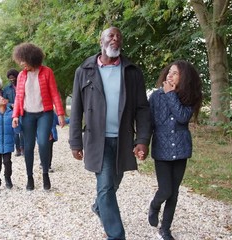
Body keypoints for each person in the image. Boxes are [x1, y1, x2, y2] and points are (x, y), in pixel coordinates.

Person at [68, 26, 152, 240]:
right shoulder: (84, 70)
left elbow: (142, 107)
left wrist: (142, 139)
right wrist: (75, 141)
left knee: (113, 184)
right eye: (110, 35)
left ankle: (99, 207)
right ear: (101, 41)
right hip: (98, 140)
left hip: (123, 138)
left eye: (118, 36)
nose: (115, 39)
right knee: (105, 186)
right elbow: (76, 108)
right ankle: (116, 235)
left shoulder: (132, 71)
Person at [147, 60, 202, 240]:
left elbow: (182, 117)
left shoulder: (189, 97)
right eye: (169, 72)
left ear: (184, 78)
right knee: (165, 190)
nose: (169, 75)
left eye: (175, 73)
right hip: (161, 149)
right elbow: (149, 123)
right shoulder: (156, 96)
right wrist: (141, 143)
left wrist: (171, 94)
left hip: (181, 149)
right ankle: (154, 205)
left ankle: (165, 229)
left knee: (174, 192)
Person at [11, 42, 66, 191]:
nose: (22, 63)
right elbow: (18, 97)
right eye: (20, 60)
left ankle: (45, 174)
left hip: (45, 113)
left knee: (43, 142)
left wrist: (60, 113)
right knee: (28, 146)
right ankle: (30, 177)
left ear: (33, 58)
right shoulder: (22, 75)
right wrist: (15, 115)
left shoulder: (47, 72)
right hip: (27, 115)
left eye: (24, 60)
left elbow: (55, 93)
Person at [3, 68, 24, 157]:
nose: (12, 79)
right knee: (15, 131)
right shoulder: (6, 89)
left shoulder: (22, 86)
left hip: (22, 111)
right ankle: (18, 149)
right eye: (10, 78)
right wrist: (10, 105)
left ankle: (23, 148)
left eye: (13, 77)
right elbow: (5, 101)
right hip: (12, 112)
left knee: (23, 131)